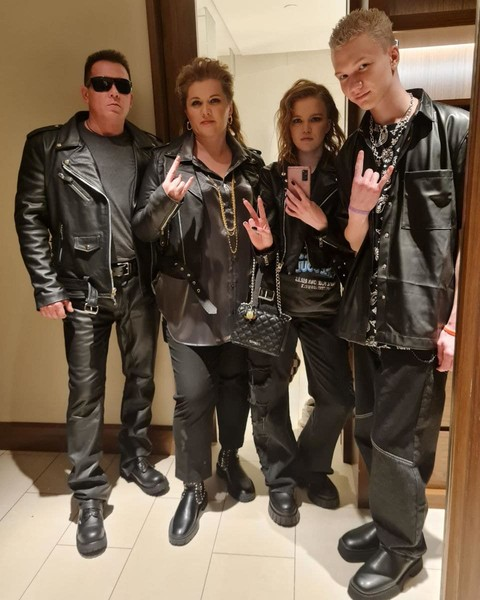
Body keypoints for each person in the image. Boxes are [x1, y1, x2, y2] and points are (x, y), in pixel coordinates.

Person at [329, 9, 468, 600]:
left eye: (362, 66)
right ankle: (392, 523)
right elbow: (351, 242)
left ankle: (404, 549)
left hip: (420, 318)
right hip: (366, 314)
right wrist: (359, 211)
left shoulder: (455, 131)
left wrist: (456, 323)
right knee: (369, 431)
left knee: (399, 441)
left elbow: (470, 239)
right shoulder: (354, 148)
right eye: (343, 75)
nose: (353, 82)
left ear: (393, 56)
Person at [14, 49, 168, 558]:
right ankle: (87, 495)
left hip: (139, 288)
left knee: (141, 379)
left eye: (122, 86)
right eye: (103, 84)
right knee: (85, 394)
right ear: (86, 92)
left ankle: (135, 457)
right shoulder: (50, 146)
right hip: (82, 291)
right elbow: (30, 217)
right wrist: (47, 286)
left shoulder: (148, 147)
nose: (114, 93)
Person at [133, 57, 263, 546]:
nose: (206, 110)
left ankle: (229, 458)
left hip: (241, 303)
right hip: (187, 305)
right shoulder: (166, 162)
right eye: (196, 102)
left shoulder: (252, 165)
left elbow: (264, 231)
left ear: (228, 106)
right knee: (191, 397)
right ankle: (193, 485)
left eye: (214, 100)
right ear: (185, 111)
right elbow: (143, 230)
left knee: (235, 390)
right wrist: (164, 200)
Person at [242, 80, 355, 527]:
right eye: (296, 119)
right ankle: (282, 479)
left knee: (338, 399)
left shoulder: (344, 177)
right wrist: (264, 244)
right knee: (270, 396)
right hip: (278, 302)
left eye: (315, 118)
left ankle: (311, 464)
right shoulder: (272, 176)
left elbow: (355, 247)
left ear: (329, 123)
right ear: (286, 125)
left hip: (325, 303)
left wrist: (321, 223)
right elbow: (264, 245)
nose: (305, 128)